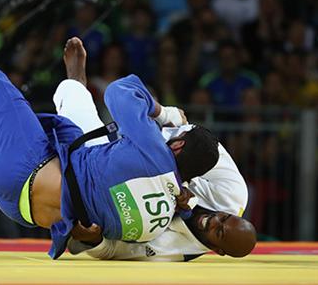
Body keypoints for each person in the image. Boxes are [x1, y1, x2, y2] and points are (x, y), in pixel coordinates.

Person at [0, 0, 220, 259]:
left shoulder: (155, 150)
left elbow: (120, 92)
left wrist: (164, 114)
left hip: (24, 168)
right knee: (77, 143)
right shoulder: (161, 219)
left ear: (176, 145)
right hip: (27, 208)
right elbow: (102, 243)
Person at [50, 41, 257, 261]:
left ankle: (75, 84)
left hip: (115, 185)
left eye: (220, 231)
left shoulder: (175, 250)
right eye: (224, 217)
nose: (215, 221)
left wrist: (94, 241)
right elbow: (200, 143)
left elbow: (114, 250)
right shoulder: (233, 191)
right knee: (160, 135)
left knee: (77, 123)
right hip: (156, 145)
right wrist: (163, 117)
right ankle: (131, 109)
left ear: (218, 250)